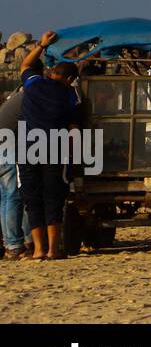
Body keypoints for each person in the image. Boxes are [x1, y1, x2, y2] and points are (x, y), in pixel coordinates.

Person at [16, 33, 80, 258]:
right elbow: (73, 128)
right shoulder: (70, 94)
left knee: (32, 199)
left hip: (27, 148)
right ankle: (53, 250)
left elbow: (25, 63)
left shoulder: (33, 84)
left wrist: (42, 44)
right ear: (70, 79)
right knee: (53, 198)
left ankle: (38, 250)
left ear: (52, 73)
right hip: (54, 148)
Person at [0, 81, 32, 259]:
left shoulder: (15, 98)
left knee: (6, 197)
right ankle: (18, 243)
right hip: (8, 147)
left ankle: (10, 242)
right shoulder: (30, 98)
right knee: (16, 195)